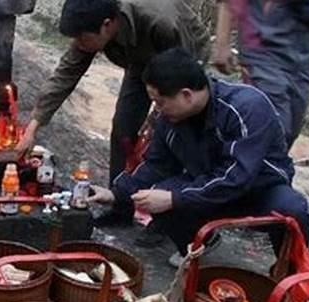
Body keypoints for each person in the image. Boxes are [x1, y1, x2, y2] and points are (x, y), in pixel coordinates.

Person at [88, 48, 309, 265]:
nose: (157, 108)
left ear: (186, 95)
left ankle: (292, 272)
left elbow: (237, 178)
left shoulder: (246, 107)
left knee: (292, 209)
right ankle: (198, 243)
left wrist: (175, 198)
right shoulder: (169, 119)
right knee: (156, 193)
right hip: (207, 185)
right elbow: (156, 164)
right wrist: (116, 193)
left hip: (258, 190)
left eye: (160, 101)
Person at [16, 0, 208, 226]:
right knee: (123, 130)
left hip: (182, 59)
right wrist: (32, 128)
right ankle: (121, 206)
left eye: (82, 38)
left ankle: (167, 220)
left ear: (107, 25)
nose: (79, 44)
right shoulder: (93, 24)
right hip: (141, 62)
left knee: (167, 137)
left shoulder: (160, 21)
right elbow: (66, 74)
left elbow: (181, 71)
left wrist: (157, 118)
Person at [213, 0, 309, 147]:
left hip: (302, 56)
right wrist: (221, 44)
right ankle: (243, 164)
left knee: (292, 129)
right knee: (275, 126)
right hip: (261, 51)